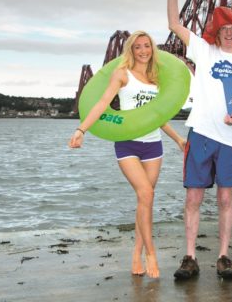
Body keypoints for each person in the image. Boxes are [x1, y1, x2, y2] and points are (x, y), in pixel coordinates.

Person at [68, 31, 187, 279]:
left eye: (147, 46)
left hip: (153, 145)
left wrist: (177, 139)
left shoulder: (156, 79)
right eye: (137, 47)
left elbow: (156, 117)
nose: (143, 51)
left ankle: (136, 252)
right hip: (127, 144)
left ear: (152, 49)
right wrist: (82, 129)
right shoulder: (122, 74)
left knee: (145, 201)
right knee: (146, 193)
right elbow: (102, 103)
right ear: (131, 51)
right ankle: (151, 254)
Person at [167, 0, 232, 280]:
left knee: (225, 198)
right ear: (216, 33)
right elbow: (174, 24)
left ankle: (223, 256)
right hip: (203, 133)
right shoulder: (203, 51)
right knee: (193, 197)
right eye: (224, 29)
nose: (229, 34)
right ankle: (190, 256)